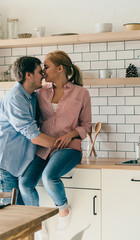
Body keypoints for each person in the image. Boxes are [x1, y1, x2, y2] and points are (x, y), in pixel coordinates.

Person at [19, 51, 92, 233]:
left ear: (60, 68)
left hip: (69, 148)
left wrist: (71, 134)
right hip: (43, 148)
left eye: (46, 66)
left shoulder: (81, 93)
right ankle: (38, 223)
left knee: (49, 177)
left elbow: (87, 125)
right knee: (24, 182)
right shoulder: (40, 92)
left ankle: (63, 210)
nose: (43, 71)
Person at [0, 56, 56, 205]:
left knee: (19, 221)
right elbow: (34, 136)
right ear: (28, 75)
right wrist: (64, 144)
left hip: (17, 166)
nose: (43, 75)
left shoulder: (31, 97)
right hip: (4, 166)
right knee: (5, 220)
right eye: (39, 71)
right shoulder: (15, 98)